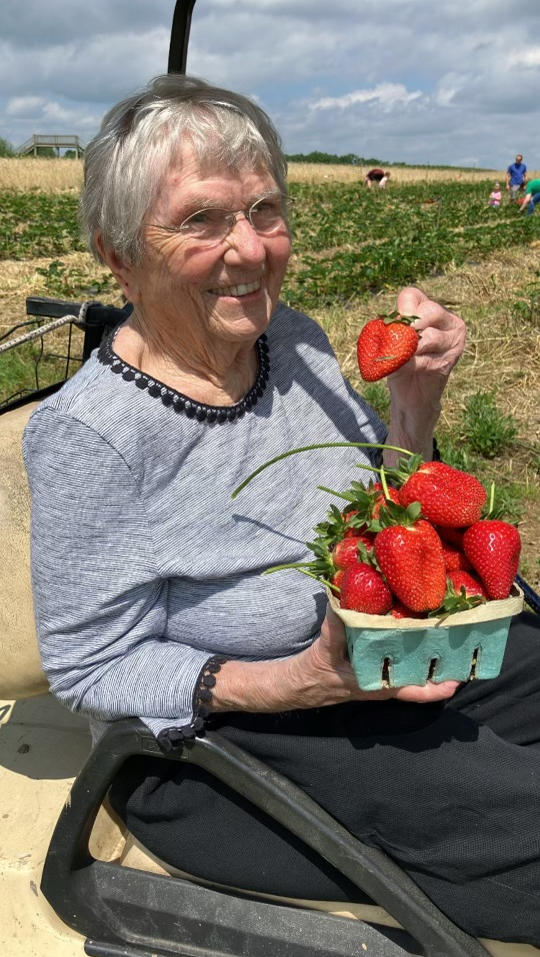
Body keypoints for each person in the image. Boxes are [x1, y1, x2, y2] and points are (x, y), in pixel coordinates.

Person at [22, 74, 540, 946]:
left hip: (376, 652)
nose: (252, 248)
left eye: (265, 210)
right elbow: (85, 668)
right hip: (233, 741)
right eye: (202, 220)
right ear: (118, 255)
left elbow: (383, 516)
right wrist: (299, 679)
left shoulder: (290, 338)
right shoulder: (92, 435)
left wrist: (414, 405)